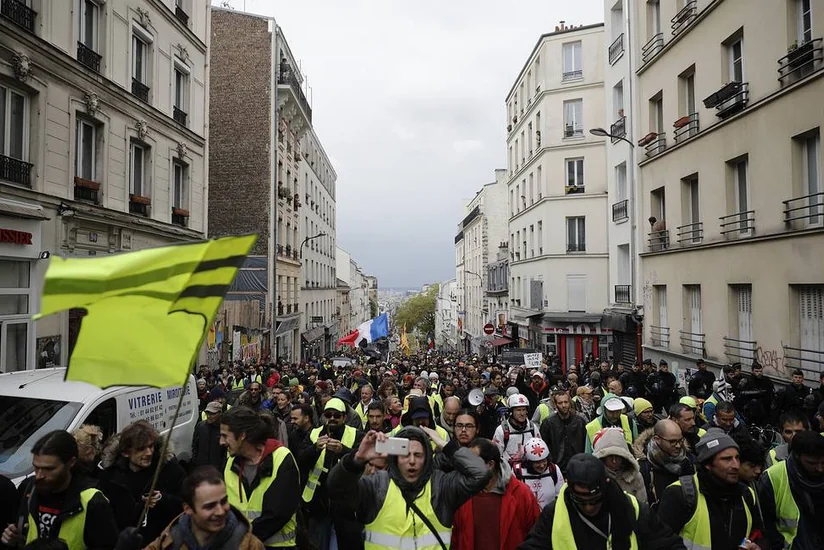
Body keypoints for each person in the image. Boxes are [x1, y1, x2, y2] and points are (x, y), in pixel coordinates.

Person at [327, 427, 491, 549]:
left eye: (418, 455)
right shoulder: (376, 485)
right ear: (395, 459)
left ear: (427, 459)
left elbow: (480, 473)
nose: (412, 461)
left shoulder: (441, 487)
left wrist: (446, 446)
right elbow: (336, 489)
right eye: (405, 455)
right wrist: (355, 460)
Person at [518, 453, 685, 550]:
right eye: (581, 502)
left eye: (595, 501)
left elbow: (669, 544)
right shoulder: (554, 513)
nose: (589, 507)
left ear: (605, 486)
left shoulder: (633, 509)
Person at [1, 431, 118, 549]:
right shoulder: (31, 487)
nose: (39, 475)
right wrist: (14, 537)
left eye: (49, 469)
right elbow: (26, 532)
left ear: (71, 463)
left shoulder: (92, 501)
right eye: (36, 467)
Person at [657, 429, 763, 550]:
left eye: (737, 458)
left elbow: (759, 533)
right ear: (708, 464)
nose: (736, 465)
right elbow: (661, 543)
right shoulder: (680, 494)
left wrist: (757, 545)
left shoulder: (747, 494)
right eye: (726, 459)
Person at [113, 466, 265, 550]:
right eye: (209, 506)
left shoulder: (250, 546)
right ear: (188, 508)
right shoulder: (169, 541)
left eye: (223, 501)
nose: (220, 511)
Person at [220, 407, 300, 548]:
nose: (221, 442)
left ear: (242, 435)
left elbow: (278, 513)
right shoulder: (230, 463)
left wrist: (245, 537)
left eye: (225, 436)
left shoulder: (282, 458)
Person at [98, 421, 186, 544]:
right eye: (141, 449)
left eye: (151, 446)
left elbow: (186, 505)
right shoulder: (112, 477)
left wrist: (163, 499)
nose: (149, 453)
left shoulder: (169, 469)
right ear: (125, 453)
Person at [451, 438, 540, 550]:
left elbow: (535, 537)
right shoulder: (461, 493)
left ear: (490, 464)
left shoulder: (521, 494)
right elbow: (453, 537)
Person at [759, 430, 824, 550]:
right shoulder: (773, 477)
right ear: (797, 456)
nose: (820, 469)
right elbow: (766, 525)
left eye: (823, 463)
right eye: (812, 463)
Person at [634, 419, 694, 506]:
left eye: (680, 440)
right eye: (672, 441)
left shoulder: (688, 460)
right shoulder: (643, 467)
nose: (678, 445)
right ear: (657, 439)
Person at [592, 428, 647, 504]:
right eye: (610, 456)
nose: (614, 461)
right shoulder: (594, 478)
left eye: (618, 456)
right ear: (603, 457)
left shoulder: (635, 477)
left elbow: (643, 507)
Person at [539, 389, 586, 473]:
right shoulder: (548, 423)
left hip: (577, 466)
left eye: (566, 402)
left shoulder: (579, 421)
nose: (564, 405)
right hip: (557, 468)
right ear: (555, 405)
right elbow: (544, 445)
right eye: (560, 403)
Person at [515, 437, 563, 509]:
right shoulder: (518, 472)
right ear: (529, 462)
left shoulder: (554, 470)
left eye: (544, 461)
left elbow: (560, 496)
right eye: (537, 462)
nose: (542, 465)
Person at [492, 394, 540, 464]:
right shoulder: (501, 430)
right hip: (509, 470)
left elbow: (539, 449)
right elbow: (496, 454)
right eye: (518, 410)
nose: (522, 413)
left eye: (524, 410)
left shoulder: (532, 427)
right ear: (511, 411)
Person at [191, 401, 226, 470]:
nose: (209, 416)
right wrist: (195, 461)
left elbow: (226, 452)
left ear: (219, 413)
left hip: (217, 470)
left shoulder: (224, 429)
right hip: (201, 468)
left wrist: (222, 468)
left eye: (212, 413)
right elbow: (195, 445)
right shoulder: (200, 426)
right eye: (207, 413)